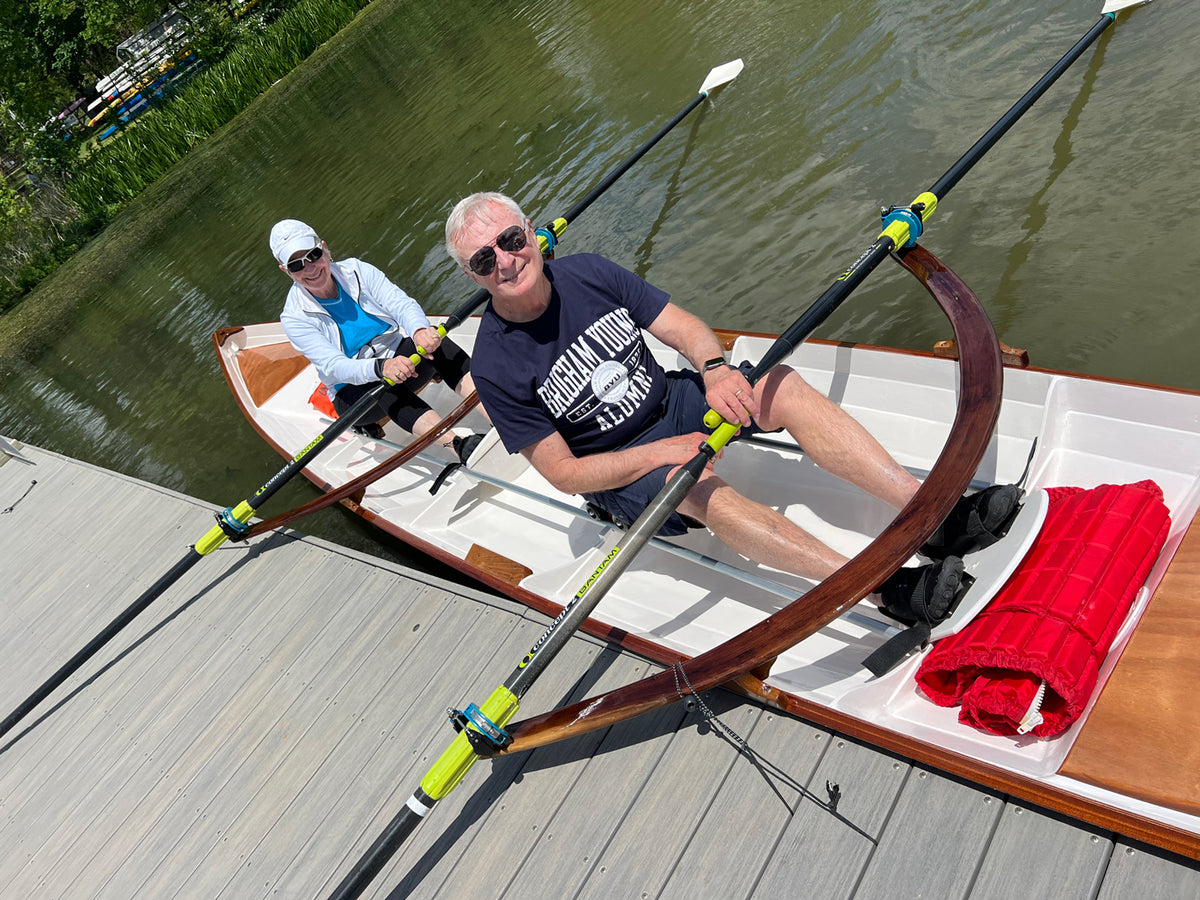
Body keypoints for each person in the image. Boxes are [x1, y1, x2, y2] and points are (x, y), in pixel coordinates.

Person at [444, 192, 1017, 624]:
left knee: (780, 385)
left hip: (672, 399)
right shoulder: (494, 363)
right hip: (620, 466)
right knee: (698, 488)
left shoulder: (590, 271)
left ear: (531, 236)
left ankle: (935, 516)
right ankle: (878, 587)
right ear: (472, 276)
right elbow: (566, 475)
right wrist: (666, 451)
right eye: (483, 260)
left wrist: (713, 369)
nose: (505, 261)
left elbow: (686, 328)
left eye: (512, 240)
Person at [271, 219, 483, 461]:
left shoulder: (357, 270)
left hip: (400, 360)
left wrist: (418, 330)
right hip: (355, 396)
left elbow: (401, 304)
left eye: (313, 255)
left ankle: (494, 408)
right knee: (381, 382)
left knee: (435, 341)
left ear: (325, 248)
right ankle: (458, 446)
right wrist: (381, 367)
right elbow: (334, 366)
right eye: (296, 265)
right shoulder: (294, 318)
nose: (309, 268)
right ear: (285, 271)